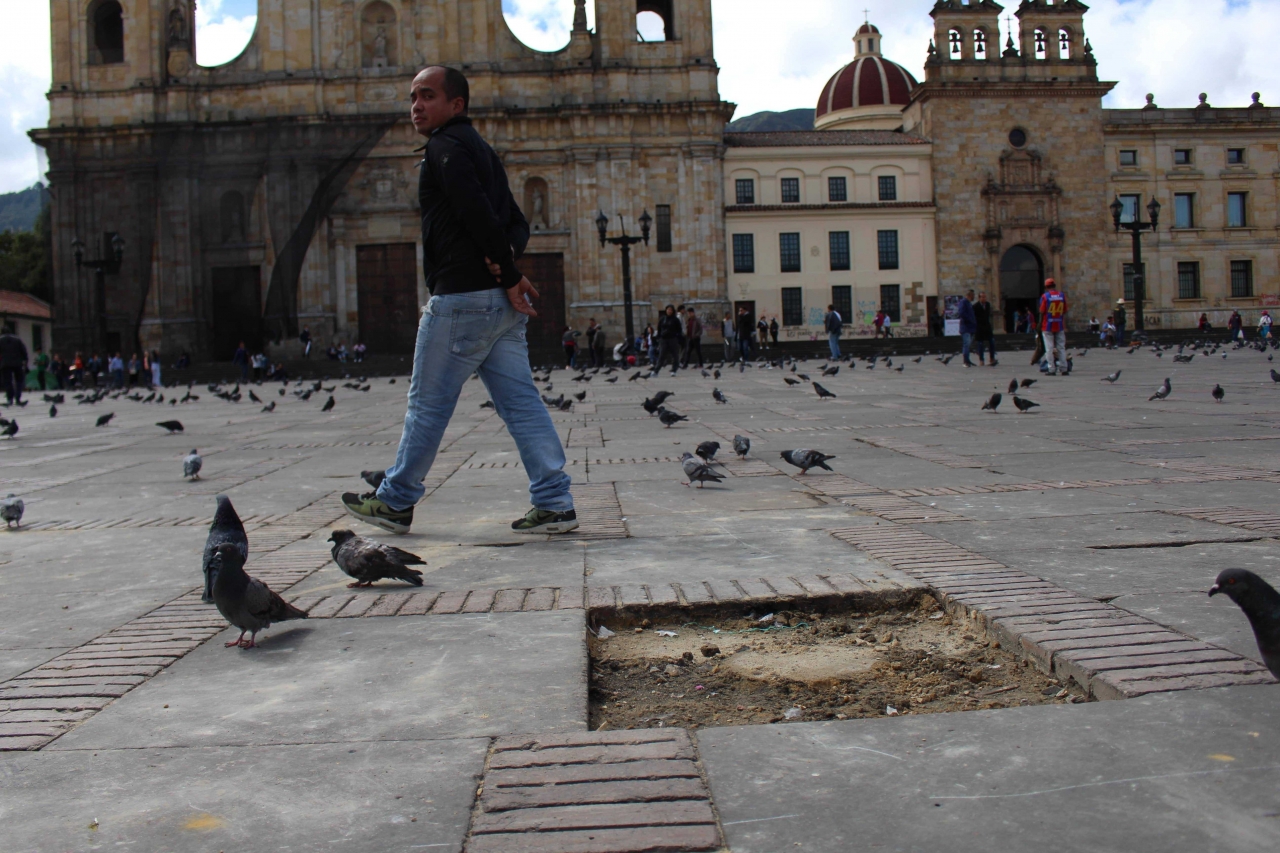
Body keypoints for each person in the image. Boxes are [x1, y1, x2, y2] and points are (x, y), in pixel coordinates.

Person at [342, 64, 576, 536]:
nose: (416, 105)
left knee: (427, 406)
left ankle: (395, 500)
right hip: (499, 311)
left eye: (427, 96)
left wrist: (507, 270)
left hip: (460, 303)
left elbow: (474, 212)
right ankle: (554, 503)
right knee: (522, 404)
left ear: (456, 105)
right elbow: (516, 222)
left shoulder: (444, 148)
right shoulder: (483, 152)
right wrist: (507, 265)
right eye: (413, 97)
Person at [1038, 278, 1068, 375]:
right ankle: (1064, 368)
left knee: (1049, 349)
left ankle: (1051, 369)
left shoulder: (1045, 297)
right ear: (1054, 286)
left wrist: (1039, 323)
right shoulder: (1062, 296)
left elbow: (1042, 311)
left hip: (1047, 325)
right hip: (1059, 324)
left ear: (1046, 287)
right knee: (1061, 348)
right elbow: (1064, 310)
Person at [0, 327, 28, 406]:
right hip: (17, 363)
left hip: (5, 364)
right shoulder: (17, 340)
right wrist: (25, 361)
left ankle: (10, 399)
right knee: (19, 381)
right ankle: (18, 398)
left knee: (8, 381)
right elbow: (24, 351)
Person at [654, 305, 682, 375]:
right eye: (668, 310)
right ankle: (656, 371)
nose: (669, 311)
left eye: (671, 310)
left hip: (673, 339)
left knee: (675, 355)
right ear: (666, 310)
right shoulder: (663, 319)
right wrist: (659, 338)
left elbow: (679, 330)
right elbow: (659, 329)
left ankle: (674, 370)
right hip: (664, 339)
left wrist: (677, 337)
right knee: (661, 355)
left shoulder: (675, 319)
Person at [974, 291, 997, 367]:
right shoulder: (975, 306)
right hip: (979, 327)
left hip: (987, 326)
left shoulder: (987, 305)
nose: (984, 298)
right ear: (979, 298)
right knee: (980, 344)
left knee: (992, 342)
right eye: (982, 297)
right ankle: (981, 359)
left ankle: (992, 358)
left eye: (985, 297)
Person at [958, 290, 977, 367]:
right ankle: (965, 361)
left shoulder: (969, 303)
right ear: (970, 295)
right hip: (966, 327)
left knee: (968, 345)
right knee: (966, 344)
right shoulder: (964, 302)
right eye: (973, 295)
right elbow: (961, 313)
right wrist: (969, 320)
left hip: (970, 327)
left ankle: (968, 360)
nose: (974, 297)